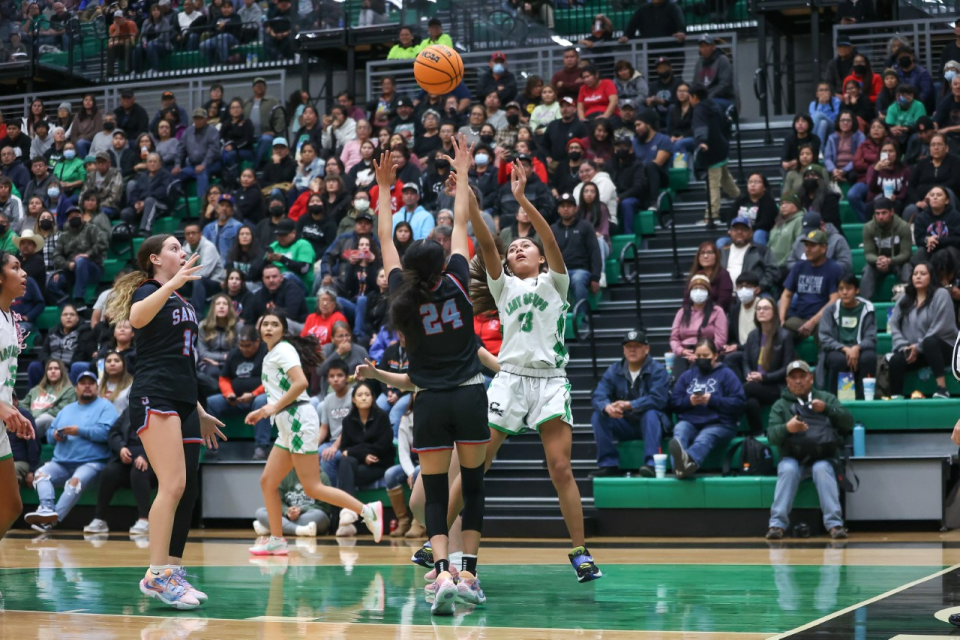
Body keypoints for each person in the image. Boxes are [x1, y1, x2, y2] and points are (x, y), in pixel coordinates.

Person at [359, 146, 492, 613]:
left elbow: (383, 237)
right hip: (470, 396)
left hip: (430, 403)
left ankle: (439, 575)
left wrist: (383, 189)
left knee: (435, 494)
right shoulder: (457, 278)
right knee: (471, 488)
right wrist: (461, 170)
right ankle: (469, 573)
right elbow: (460, 223)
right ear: (441, 264)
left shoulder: (401, 293)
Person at [104, 235, 226, 610]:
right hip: (153, 394)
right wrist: (172, 282)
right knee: (172, 485)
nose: (182, 252)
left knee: (181, 486)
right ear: (155, 259)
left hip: (180, 398)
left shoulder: (181, 300)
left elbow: (185, 361)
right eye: (174, 248)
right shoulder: (148, 290)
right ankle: (157, 575)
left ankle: (168, 570)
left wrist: (199, 410)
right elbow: (136, 319)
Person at [244, 311, 383, 554]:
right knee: (268, 482)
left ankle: (367, 511)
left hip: (297, 419)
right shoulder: (273, 353)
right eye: (264, 323)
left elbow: (301, 383)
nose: (268, 327)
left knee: (312, 487)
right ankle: (277, 539)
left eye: (274, 324)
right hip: (287, 422)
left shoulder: (283, 349)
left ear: (283, 330)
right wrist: (268, 410)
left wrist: (272, 407)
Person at [765, 360, 853, 540]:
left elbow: (848, 422)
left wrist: (827, 409)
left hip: (823, 457)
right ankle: (776, 526)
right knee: (788, 469)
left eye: (802, 376)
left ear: (810, 378)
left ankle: (835, 525)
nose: (798, 381)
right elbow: (772, 436)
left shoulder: (825, 398)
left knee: (822, 469)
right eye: (793, 377)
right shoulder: (780, 405)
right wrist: (786, 428)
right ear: (787, 381)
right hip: (792, 457)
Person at [24, 370, 117, 532]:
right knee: (40, 475)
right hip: (61, 462)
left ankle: (50, 521)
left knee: (75, 482)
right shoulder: (67, 409)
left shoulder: (106, 407)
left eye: (91, 383)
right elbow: (49, 433)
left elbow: (107, 433)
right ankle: (46, 509)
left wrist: (79, 431)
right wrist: (54, 435)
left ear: (97, 387)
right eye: (83, 383)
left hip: (92, 462)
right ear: (76, 388)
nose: (87, 386)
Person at [590, 329, 670, 477]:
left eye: (637, 346)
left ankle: (651, 464)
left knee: (651, 413)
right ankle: (609, 464)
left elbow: (658, 399)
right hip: (626, 423)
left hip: (652, 424)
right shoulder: (614, 370)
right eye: (628, 346)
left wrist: (630, 405)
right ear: (623, 350)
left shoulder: (658, 370)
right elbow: (598, 396)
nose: (632, 350)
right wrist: (607, 407)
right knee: (599, 415)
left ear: (647, 349)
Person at [668, 338, 746, 478]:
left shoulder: (727, 374)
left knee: (705, 437)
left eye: (705, 356)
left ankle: (686, 463)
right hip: (690, 421)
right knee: (679, 431)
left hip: (720, 423)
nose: (701, 359)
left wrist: (712, 400)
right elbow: (674, 402)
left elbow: (739, 402)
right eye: (698, 356)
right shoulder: (687, 375)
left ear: (715, 355)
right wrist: (689, 402)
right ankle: (679, 468)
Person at [0, 250, 33, 544]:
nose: (24, 274)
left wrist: (12, 407)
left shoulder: (11, 319)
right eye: (15, 267)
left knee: (11, 505)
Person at [888, 262, 958, 399]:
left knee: (929, 342)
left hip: (944, 349)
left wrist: (918, 346)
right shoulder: (904, 298)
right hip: (917, 351)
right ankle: (896, 397)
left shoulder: (941, 294)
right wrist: (904, 346)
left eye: (923, 274)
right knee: (896, 360)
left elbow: (941, 326)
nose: (918, 277)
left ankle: (942, 389)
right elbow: (894, 325)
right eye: (915, 274)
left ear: (931, 277)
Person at [82, 408, 155, 536]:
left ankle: (144, 520)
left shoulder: (160, 411)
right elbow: (113, 433)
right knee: (110, 472)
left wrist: (146, 455)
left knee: (139, 470)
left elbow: (162, 439)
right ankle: (99, 520)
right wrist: (121, 448)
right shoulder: (129, 410)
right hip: (126, 457)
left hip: (153, 462)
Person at [334, 381, 394, 511]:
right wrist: (363, 455)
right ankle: (349, 512)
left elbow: (383, 446)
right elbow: (344, 448)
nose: (364, 397)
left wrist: (356, 452)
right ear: (353, 400)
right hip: (358, 463)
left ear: (373, 397)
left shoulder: (382, 417)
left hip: (378, 463)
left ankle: (346, 512)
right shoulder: (348, 421)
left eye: (367, 394)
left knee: (345, 470)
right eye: (360, 395)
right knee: (346, 461)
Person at [818, 274, 877, 399]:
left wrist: (857, 347)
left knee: (869, 358)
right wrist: (844, 348)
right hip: (837, 350)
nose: (844, 292)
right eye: (841, 289)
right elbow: (824, 338)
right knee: (838, 360)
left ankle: (864, 399)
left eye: (849, 288)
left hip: (860, 349)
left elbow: (871, 338)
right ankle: (835, 400)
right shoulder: (830, 310)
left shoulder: (868, 308)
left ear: (857, 290)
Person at [740, 296, 794, 433]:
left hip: (777, 386)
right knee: (751, 402)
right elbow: (745, 360)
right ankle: (758, 433)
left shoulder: (784, 336)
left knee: (746, 389)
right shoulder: (752, 335)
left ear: (774, 312)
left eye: (765, 308)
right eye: (758, 309)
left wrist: (763, 378)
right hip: (756, 385)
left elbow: (786, 368)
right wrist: (748, 374)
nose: (761, 311)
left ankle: (730, 420)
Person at [778, 231, 842, 340]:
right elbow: (786, 294)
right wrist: (781, 319)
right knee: (781, 333)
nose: (807, 249)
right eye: (806, 245)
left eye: (812, 246)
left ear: (823, 248)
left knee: (823, 329)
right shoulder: (799, 267)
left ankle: (824, 357)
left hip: (823, 319)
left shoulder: (834, 269)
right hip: (800, 318)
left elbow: (834, 300)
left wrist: (812, 322)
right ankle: (794, 357)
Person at [670, 274, 728, 377]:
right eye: (695, 288)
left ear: (708, 292)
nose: (698, 291)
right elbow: (674, 338)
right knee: (678, 378)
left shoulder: (717, 311)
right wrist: (681, 351)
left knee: (695, 373)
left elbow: (720, 340)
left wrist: (700, 353)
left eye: (702, 288)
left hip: (706, 353)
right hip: (685, 353)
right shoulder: (682, 312)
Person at [551, 193, 601, 310]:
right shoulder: (552, 229)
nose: (566, 209)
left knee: (578, 280)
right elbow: (547, 252)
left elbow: (595, 251)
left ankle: (582, 318)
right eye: (562, 206)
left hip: (581, 270)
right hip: (559, 271)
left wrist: (595, 277)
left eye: (569, 206)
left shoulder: (585, 226)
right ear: (558, 210)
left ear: (575, 208)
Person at [252, 468, 333, 537]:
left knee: (319, 516)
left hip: (310, 516)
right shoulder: (284, 474)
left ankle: (273, 527)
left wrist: (301, 510)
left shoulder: (321, 475)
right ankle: (299, 530)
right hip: (289, 516)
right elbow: (278, 501)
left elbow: (325, 507)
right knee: (260, 512)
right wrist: (287, 511)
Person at [860, 197, 912, 300]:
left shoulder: (903, 227)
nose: (880, 217)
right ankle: (865, 303)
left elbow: (906, 254)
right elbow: (868, 253)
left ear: (892, 212)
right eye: (877, 213)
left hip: (898, 262)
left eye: (884, 213)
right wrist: (878, 260)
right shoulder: (868, 228)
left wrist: (890, 260)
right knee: (867, 269)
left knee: (908, 268)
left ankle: (909, 298)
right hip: (878, 264)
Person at [243, 265, 308, 333]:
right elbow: (251, 319)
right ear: (263, 280)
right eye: (267, 278)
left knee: (283, 322)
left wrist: (275, 311)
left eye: (274, 277)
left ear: (281, 278)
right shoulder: (258, 295)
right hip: (270, 327)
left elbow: (292, 314)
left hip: (299, 325)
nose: (271, 280)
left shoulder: (292, 289)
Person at [719, 217, 779, 291]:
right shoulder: (721, 251)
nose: (739, 232)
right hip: (725, 294)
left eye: (743, 229)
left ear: (751, 232)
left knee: (765, 302)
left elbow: (773, 273)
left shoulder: (762, 251)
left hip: (754, 294)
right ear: (730, 232)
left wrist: (760, 287)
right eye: (735, 229)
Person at [686, 241, 733, 312]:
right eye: (702, 253)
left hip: (716, 313)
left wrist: (708, 313)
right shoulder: (693, 275)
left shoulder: (723, 274)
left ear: (716, 256)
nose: (705, 256)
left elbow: (724, 300)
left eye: (709, 253)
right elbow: (686, 300)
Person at [618, 0, 686, 43]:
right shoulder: (642, 10)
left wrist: (681, 32)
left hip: (672, 51)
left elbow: (681, 25)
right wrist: (626, 36)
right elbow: (632, 25)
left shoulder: (673, 8)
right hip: (649, 52)